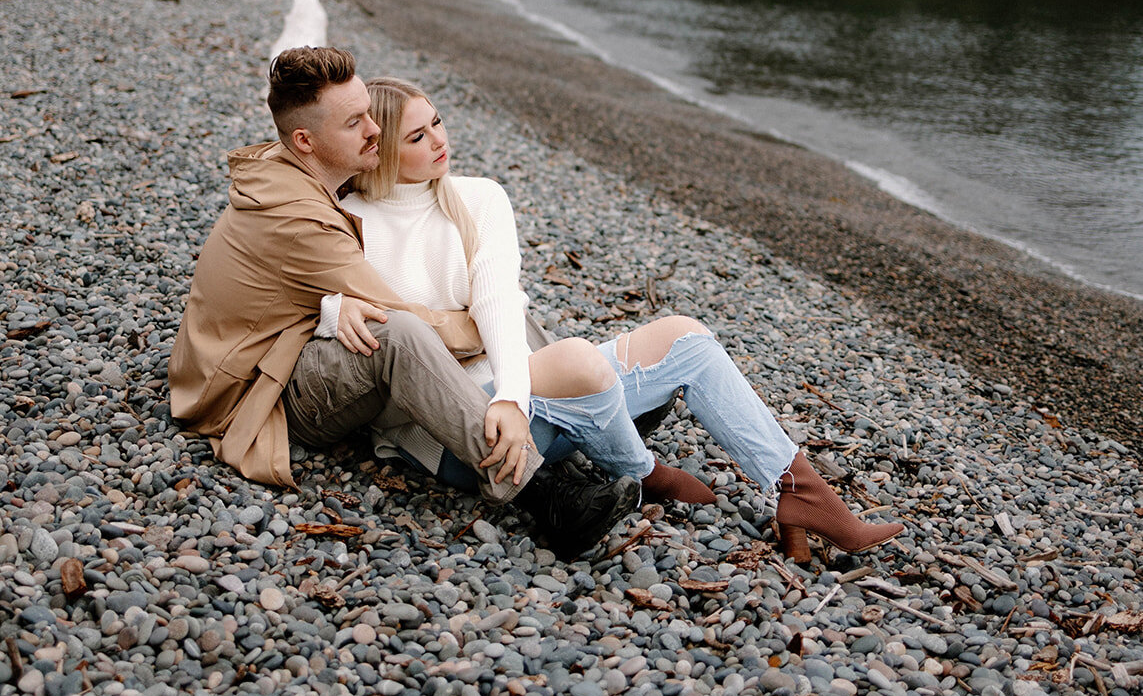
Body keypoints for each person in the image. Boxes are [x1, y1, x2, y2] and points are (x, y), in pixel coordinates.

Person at [320, 76, 905, 562]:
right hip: (459, 436)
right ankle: (645, 471)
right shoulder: (350, 221)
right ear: (381, 150)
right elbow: (326, 324)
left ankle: (799, 495)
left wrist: (491, 368)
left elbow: (499, 304)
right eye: (418, 137)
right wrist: (334, 307)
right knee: (576, 359)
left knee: (686, 336)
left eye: (439, 122)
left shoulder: (478, 198)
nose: (440, 142)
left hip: (521, 395)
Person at [168, 47, 640, 561]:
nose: (375, 130)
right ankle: (547, 496)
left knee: (490, 312)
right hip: (258, 391)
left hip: (270, 349)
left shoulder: (292, 168)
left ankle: (573, 422)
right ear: (305, 140)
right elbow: (410, 321)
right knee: (402, 333)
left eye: (370, 111)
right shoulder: (301, 220)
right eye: (355, 123)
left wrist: (340, 304)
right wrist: (485, 318)